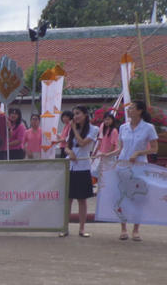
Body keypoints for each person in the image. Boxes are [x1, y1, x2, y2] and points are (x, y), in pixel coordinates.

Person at [106, 100, 158, 241]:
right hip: (123, 166)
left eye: (132, 108)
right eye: (128, 108)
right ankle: (123, 228)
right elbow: (120, 148)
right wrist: (107, 155)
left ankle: (136, 229)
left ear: (140, 111)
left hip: (139, 167)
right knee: (121, 197)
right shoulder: (123, 127)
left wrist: (139, 153)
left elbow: (154, 149)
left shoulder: (148, 128)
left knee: (138, 198)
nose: (129, 110)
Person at [61, 106, 99, 237]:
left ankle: (82, 228)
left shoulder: (94, 129)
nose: (75, 117)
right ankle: (64, 227)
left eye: (77, 114)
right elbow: (66, 146)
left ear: (85, 115)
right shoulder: (73, 129)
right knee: (68, 198)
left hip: (83, 167)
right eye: (74, 114)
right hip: (70, 166)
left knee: (82, 199)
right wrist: (69, 151)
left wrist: (73, 129)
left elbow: (82, 143)